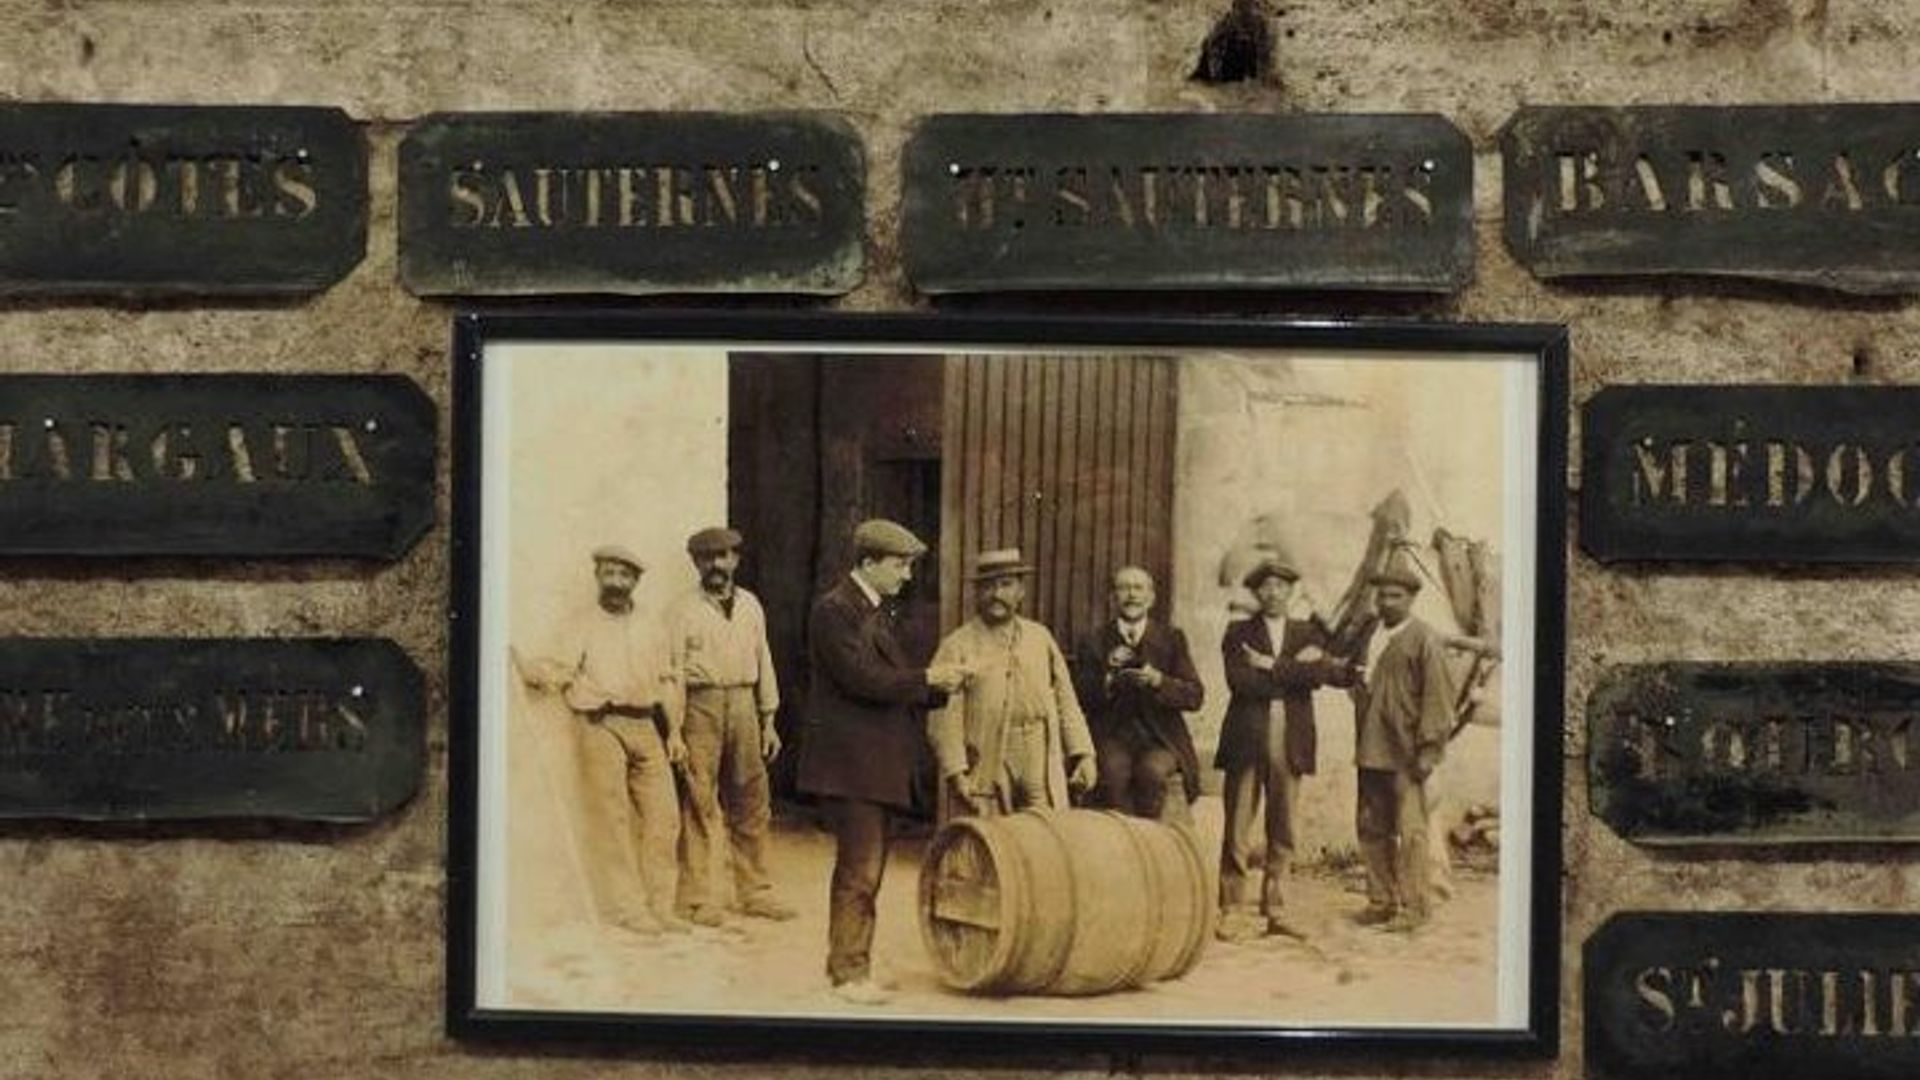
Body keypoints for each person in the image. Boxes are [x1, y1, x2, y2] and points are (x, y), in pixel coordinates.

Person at [794, 519, 967, 1006]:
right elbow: (861, 679)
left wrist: (937, 687)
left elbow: (887, 682)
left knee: (869, 868)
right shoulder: (834, 611)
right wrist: (930, 679)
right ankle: (850, 973)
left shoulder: (873, 611)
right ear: (868, 563)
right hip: (850, 766)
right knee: (860, 870)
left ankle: (851, 964)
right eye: (900, 565)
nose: (907, 575)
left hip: (871, 764)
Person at [523, 544, 688, 935]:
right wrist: (534, 672)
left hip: (646, 725)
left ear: (635, 582)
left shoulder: (652, 624)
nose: (616, 582)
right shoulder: (581, 622)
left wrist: (675, 732)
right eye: (609, 573)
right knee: (612, 820)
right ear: (598, 576)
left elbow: (667, 682)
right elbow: (559, 670)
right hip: (600, 725)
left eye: (624, 575)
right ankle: (629, 909)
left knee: (664, 819)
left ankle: (661, 906)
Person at [1216, 554, 1350, 942]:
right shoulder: (1238, 631)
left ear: (1292, 592)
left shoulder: (1308, 632)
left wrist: (1271, 665)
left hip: (1291, 736)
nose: (1273, 592)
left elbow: (1321, 676)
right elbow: (1241, 684)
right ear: (1257, 592)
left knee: (1284, 824)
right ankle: (1230, 907)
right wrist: (1293, 672)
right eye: (1266, 586)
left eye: (1281, 586)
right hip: (1247, 733)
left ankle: (1277, 909)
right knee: (1238, 825)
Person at [665, 526, 793, 929]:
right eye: (707, 558)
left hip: (744, 704)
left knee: (751, 801)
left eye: (723, 556)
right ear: (695, 563)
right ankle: (697, 898)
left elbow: (764, 660)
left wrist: (768, 720)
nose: (716, 565)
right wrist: (674, 730)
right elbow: (673, 674)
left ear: (736, 560)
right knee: (699, 800)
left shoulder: (751, 605)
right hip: (700, 706)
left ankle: (755, 892)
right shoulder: (681, 610)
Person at [927, 548, 1096, 820]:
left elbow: (1067, 701)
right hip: (986, 754)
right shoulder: (957, 645)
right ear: (976, 593)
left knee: (1045, 832)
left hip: (1037, 748)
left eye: (1006, 585)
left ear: (1021, 591)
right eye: (988, 586)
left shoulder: (1039, 637)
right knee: (991, 838)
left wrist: (1084, 753)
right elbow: (942, 717)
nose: (996, 594)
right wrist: (956, 771)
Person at [1350, 548, 1455, 934]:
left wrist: (1429, 749)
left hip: (1406, 753)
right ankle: (1380, 901)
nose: (1386, 602)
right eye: (1382, 595)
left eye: (1395, 596)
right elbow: (1357, 677)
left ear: (1411, 599)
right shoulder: (1369, 634)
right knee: (1371, 827)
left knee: (1410, 832)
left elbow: (1438, 698)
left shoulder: (1425, 639)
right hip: (1369, 749)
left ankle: (1414, 906)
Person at [1071, 565, 1205, 824]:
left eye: (1138, 588)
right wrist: (1108, 680)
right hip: (1112, 734)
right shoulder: (1095, 639)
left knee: (1153, 773)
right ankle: (1125, 845)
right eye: (1124, 588)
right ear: (1113, 598)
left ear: (1151, 597)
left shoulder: (1171, 638)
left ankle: (1149, 843)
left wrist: (1158, 681)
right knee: (1112, 773)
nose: (1131, 595)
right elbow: (1080, 696)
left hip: (1160, 737)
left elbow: (1194, 696)